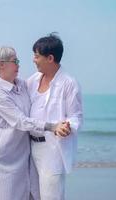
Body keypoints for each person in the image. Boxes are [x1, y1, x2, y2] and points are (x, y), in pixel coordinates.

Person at [0, 46, 71, 200]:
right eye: (14, 61)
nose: (19, 64)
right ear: (0, 65)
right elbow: (21, 122)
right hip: (3, 158)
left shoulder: (23, 85)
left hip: (24, 155)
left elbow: (44, 84)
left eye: (18, 60)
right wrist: (52, 126)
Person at [27, 33, 83, 200]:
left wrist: (67, 126)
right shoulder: (33, 80)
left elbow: (76, 116)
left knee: (51, 196)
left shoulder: (69, 83)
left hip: (52, 150)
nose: (33, 59)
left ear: (50, 58)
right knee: (31, 195)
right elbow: (16, 93)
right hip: (29, 147)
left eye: (37, 56)